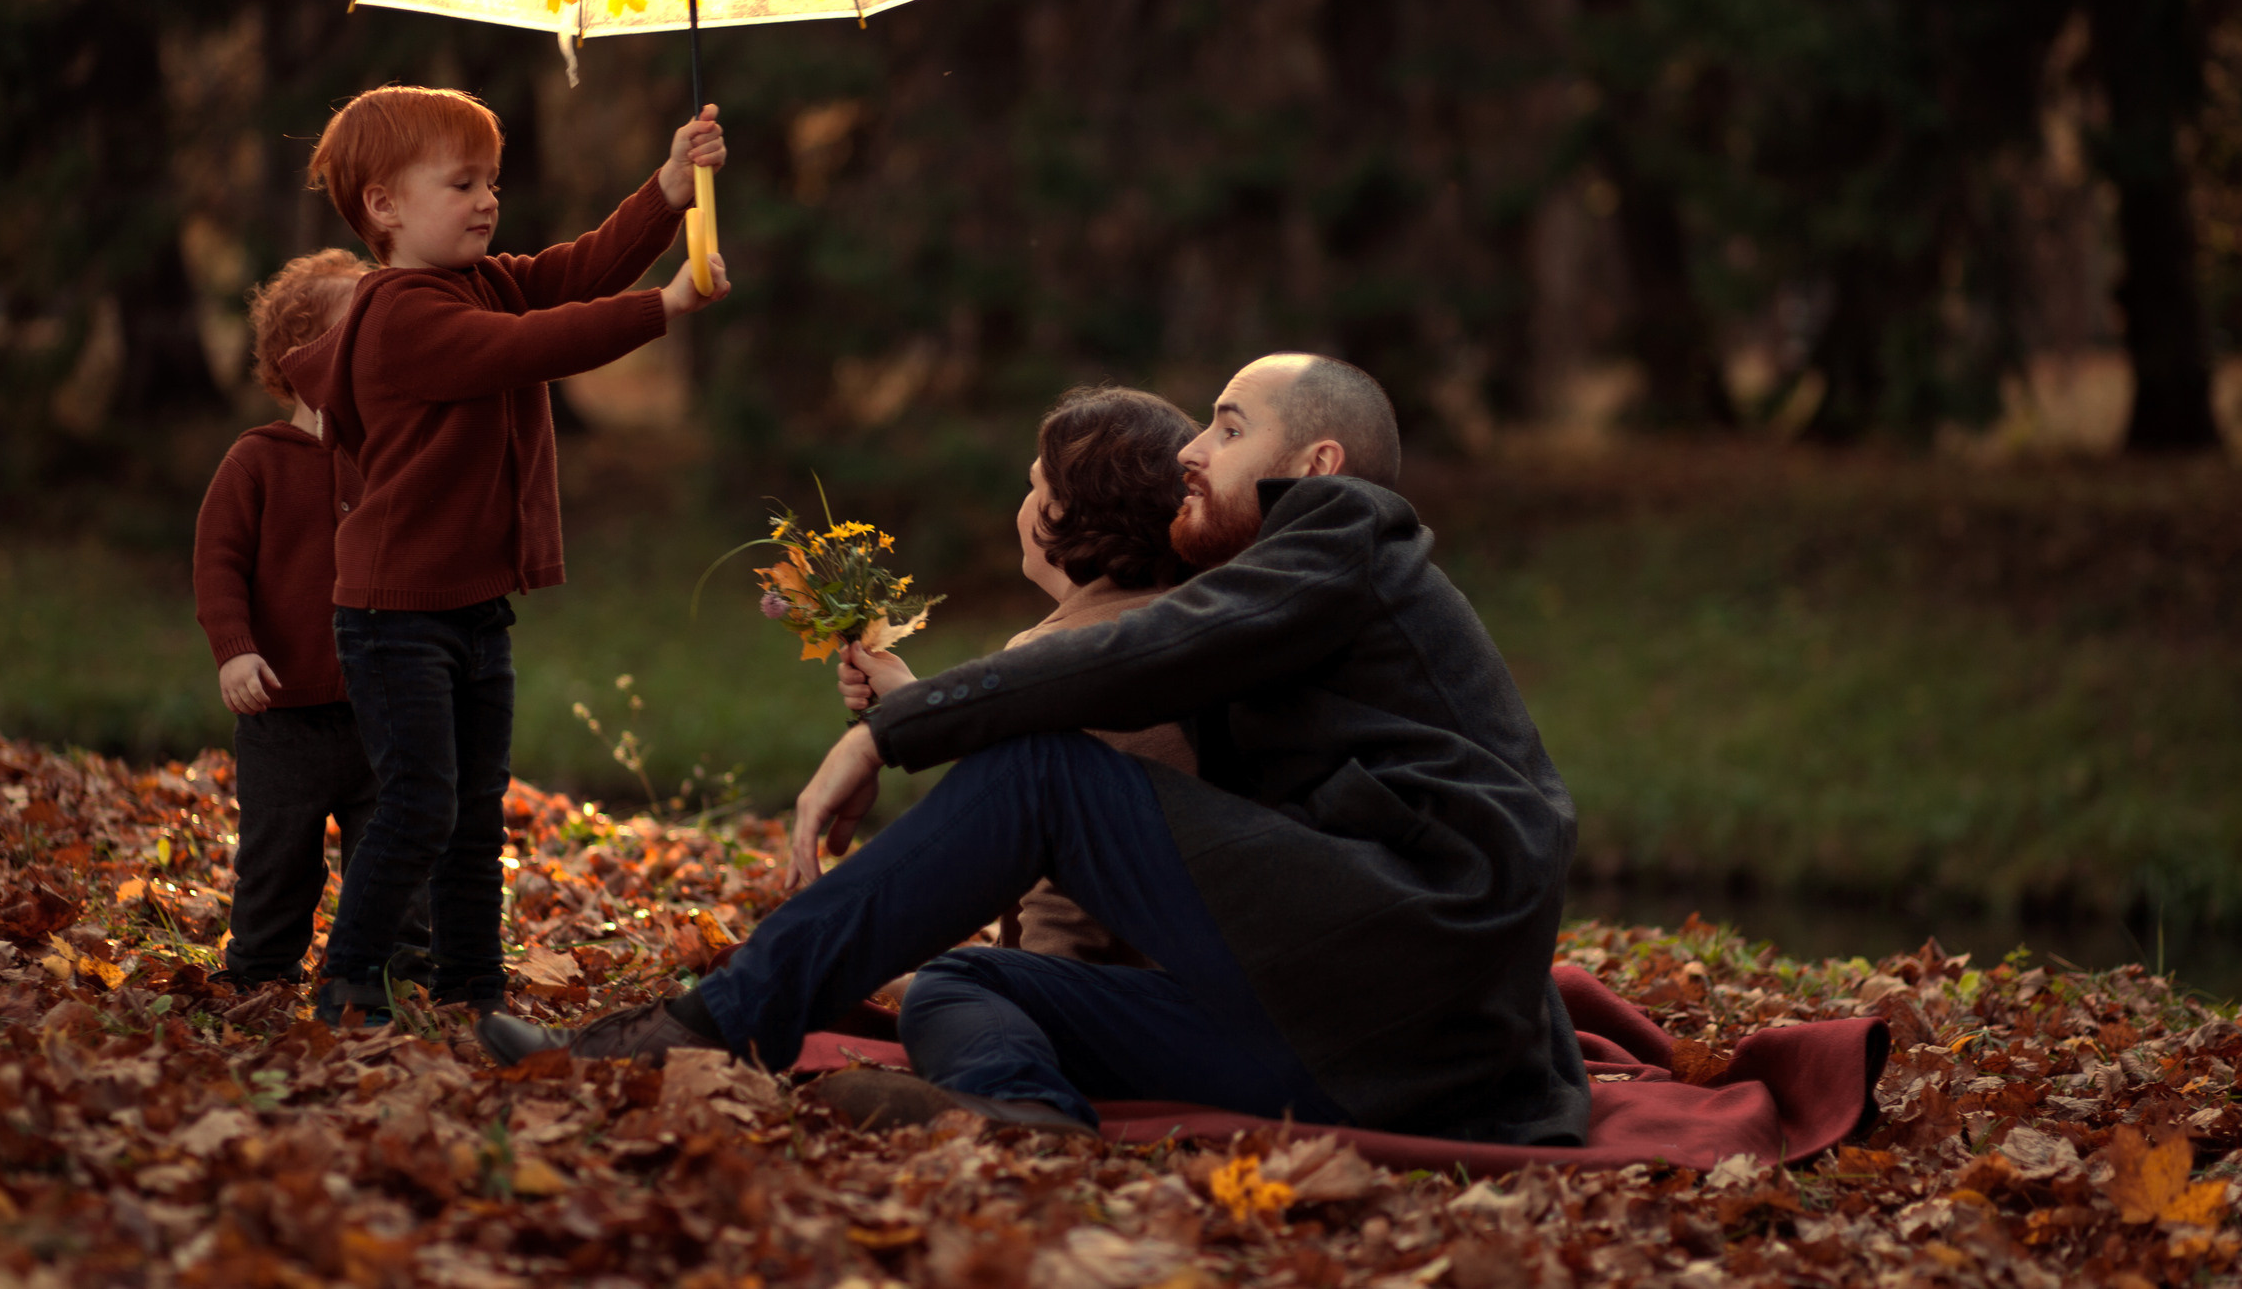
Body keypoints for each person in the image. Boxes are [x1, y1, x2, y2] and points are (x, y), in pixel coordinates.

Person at [479, 354, 1590, 1149]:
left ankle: (706, 1028)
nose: (1191, 452)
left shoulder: (1349, 537)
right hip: (1355, 1049)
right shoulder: (1280, 601)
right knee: (966, 980)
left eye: (1225, 428)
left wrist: (892, 729)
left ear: (1319, 463)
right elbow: (1130, 662)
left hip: (1404, 968)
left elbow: (1139, 653)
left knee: (1041, 772)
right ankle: (1022, 1113)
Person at [286, 85, 730, 1023]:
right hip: (394, 614)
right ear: (384, 205)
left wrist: (667, 189)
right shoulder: (401, 313)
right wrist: (663, 307)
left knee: (477, 811)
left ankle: (473, 986)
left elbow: (577, 270)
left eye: (492, 181)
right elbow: (530, 346)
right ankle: (350, 980)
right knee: (421, 803)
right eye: (462, 184)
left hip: (474, 607)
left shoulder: (478, 280)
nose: (488, 200)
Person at [842, 385, 1201, 968]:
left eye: (1034, 486)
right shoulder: (1196, 628)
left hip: (1117, 986)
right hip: (1209, 972)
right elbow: (1029, 769)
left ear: (1060, 510)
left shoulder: (1053, 653)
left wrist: (1009, 991)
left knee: (922, 985)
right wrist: (911, 700)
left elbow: (1062, 902)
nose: (1025, 503)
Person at [192, 249, 430, 989]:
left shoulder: (393, 457)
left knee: (396, 849)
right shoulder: (256, 461)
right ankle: (261, 971)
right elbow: (218, 564)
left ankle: (398, 973)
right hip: (283, 714)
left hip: (380, 708)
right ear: (301, 357)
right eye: (361, 333)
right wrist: (235, 649)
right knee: (279, 856)